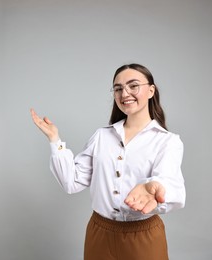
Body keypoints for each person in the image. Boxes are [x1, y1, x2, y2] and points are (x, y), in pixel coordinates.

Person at [31, 63, 185, 260]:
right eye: (118, 88)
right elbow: (72, 182)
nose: (125, 93)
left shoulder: (167, 141)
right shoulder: (101, 136)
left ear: (151, 91)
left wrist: (156, 187)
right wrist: (55, 140)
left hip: (144, 236)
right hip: (99, 232)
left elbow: (173, 186)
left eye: (133, 85)